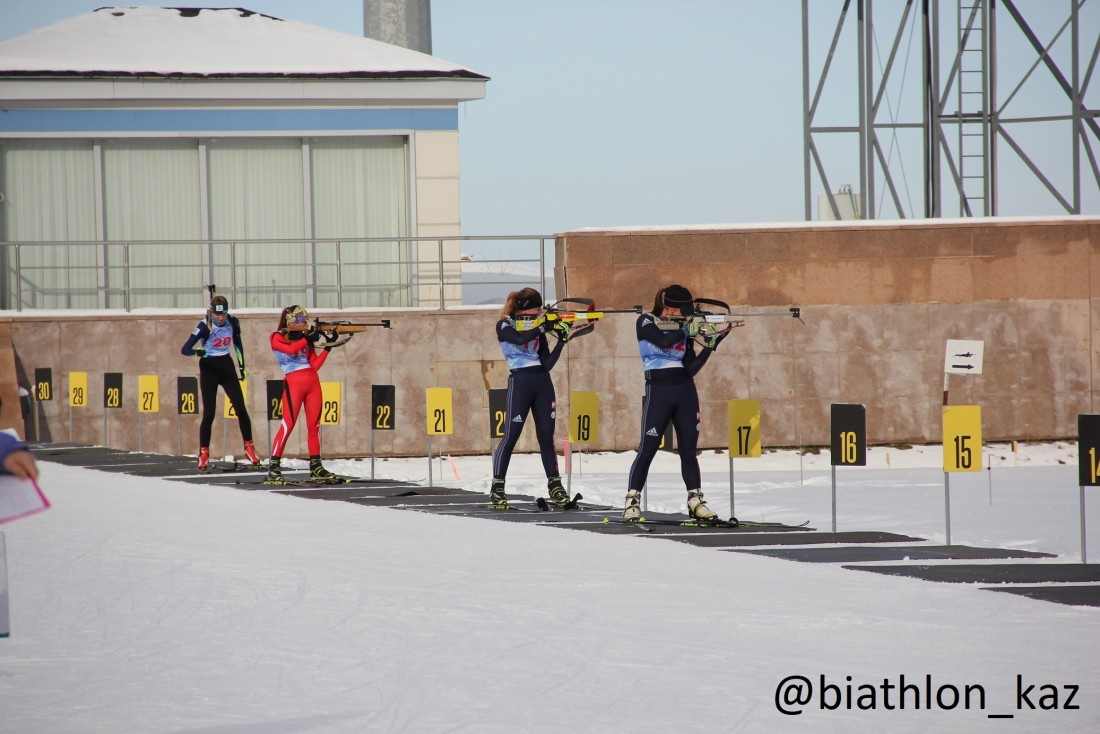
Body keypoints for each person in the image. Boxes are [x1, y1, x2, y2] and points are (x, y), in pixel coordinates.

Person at [624, 284, 729, 522]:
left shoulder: (684, 328)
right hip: (658, 390)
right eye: (682, 311)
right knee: (647, 449)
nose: (685, 315)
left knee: (689, 452)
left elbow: (689, 368)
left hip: (684, 390)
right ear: (670, 308)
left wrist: (710, 345)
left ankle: (695, 501)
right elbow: (662, 341)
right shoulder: (646, 321)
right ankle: (632, 501)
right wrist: (686, 330)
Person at [489, 288, 583, 510]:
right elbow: (520, 338)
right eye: (535, 309)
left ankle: (555, 487)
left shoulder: (538, 329)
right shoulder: (505, 324)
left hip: (542, 383)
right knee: (511, 435)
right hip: (520, 382)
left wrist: (561, 340)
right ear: (523, 309)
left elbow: (547, 364)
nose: (539, 313)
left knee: (546, 437)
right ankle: (498, 486)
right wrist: (543, 325)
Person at [180, 295, 259, 470]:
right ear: (212, 312)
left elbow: (238, 344)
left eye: (223, 315)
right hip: (209, 368)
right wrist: (197, 353)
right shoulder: (204, 325)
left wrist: (242, 366)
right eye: (217, 315)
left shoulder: (232, 322)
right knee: (209, 413)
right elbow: (184, 349)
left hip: (226, 366)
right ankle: (204, 452)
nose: (221, 318)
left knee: (240, 408)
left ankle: (249, 446)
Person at [265, 305, 339, 484]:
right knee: (287, 424)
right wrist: (308, 338)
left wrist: (328, 345)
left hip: (312, 382)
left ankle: (316, 466)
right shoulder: (277, 337)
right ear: (292, 322)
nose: (305, 323)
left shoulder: (305, 339)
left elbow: (314, 365)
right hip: (294, 383)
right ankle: (274, 466)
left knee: (314, 426)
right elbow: (290, 350)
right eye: (302, 320)